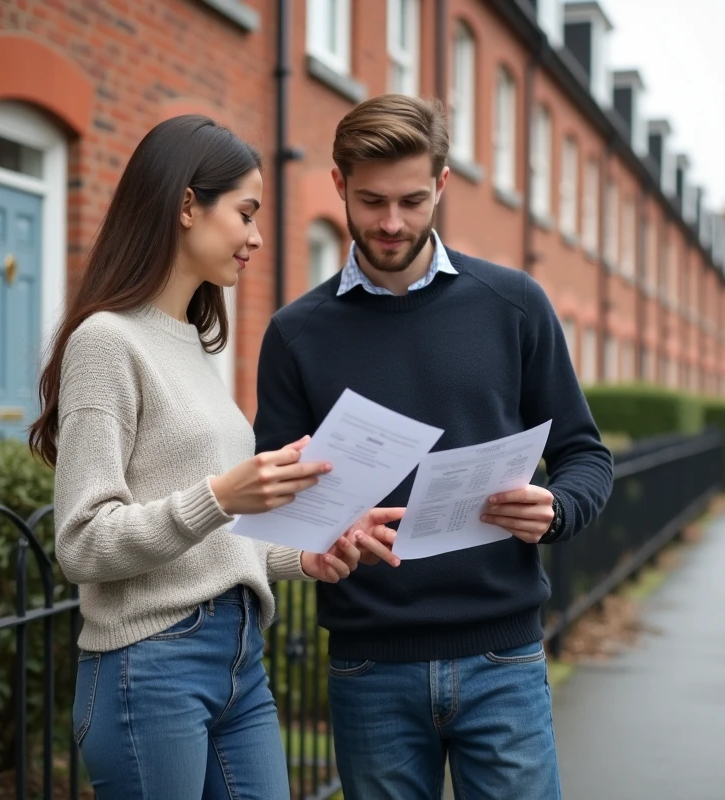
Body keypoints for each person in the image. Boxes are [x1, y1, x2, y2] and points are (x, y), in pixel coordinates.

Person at [27, 115, 401, 800]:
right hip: (151, 665)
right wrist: (222, 494)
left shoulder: (196, 347)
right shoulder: (106, 343)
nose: (257, 237)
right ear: (188, 204)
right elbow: (81, 543)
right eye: (246, 213)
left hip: (239, 658)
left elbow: (218, 542)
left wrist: (306, 555)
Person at [252, 95, 614, 799]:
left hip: (501, 657)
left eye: (414, 200)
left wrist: (556, 507)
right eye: (372, 201)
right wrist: (331, 532)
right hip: (369, 666)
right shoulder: (296, 334)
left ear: (443, 185)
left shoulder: (514, 305)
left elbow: (586, 455)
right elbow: (273, 501)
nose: (392, 223)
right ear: (338, 186)